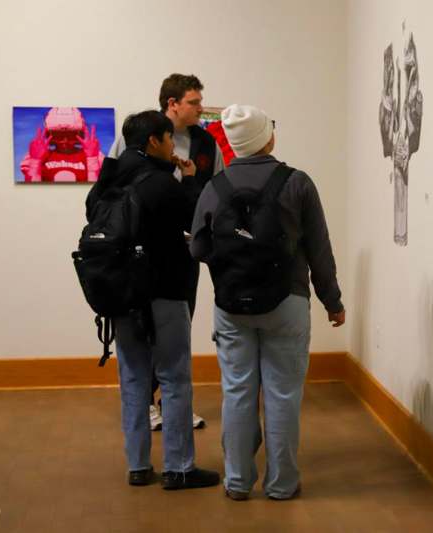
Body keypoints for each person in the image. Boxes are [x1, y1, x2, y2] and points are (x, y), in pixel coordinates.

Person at [190, 104, 345, 501]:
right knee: (282, 394)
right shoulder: (297, 183)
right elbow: (319, 250)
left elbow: (198, 247)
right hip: (287, 301)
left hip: (230, 305)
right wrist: (332, 301)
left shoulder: (215, 186)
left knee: (237, 392)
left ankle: (238, 482)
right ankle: (281, 484)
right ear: (267, 138)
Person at [94, 110, 219, 489]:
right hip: (165, 291)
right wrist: (193, 181)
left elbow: (91, 211)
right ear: (154, 142)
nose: (172, 146)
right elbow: (196, 219)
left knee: (132, 377)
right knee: (174, 377)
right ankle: (179, 468)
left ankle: (137, 465)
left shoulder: (110, 179)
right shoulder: (162, 183)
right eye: (168, 140)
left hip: (122, 294)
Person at [110, 73, 223, 430]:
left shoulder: (206, 144)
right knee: (141, 329)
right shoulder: (136, 140)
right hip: (139, 256)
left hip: (185, 252)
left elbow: (218, 191)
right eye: (193, 102)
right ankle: (144, 403)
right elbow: (110, 190)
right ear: (172, 104)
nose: (200, 108)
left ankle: (173, 402)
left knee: (177, 328)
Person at [21, 107, 105, 182]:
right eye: (58, 135)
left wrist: (92, 159)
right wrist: (35, 161)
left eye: (71, 135)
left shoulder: (96, 157)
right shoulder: (38, 156)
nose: (65, 141)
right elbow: (32, 187)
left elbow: (96, 190)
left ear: (81, 135)